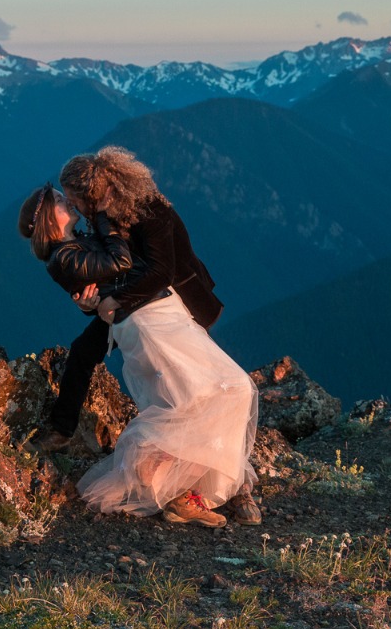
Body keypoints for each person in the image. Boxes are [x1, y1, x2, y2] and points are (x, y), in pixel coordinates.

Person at [17, 176, 259, 527]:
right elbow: (121, 263)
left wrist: (95, 300)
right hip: (146, 321)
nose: (68, 202)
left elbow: (111, 276)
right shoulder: (64, 256)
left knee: (212, 396)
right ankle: (167, 471)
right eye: (59, 200)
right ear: (47, 221)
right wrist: (102, 215)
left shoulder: (78, 243)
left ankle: (198, 490)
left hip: (161, 312)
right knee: (213, 396)